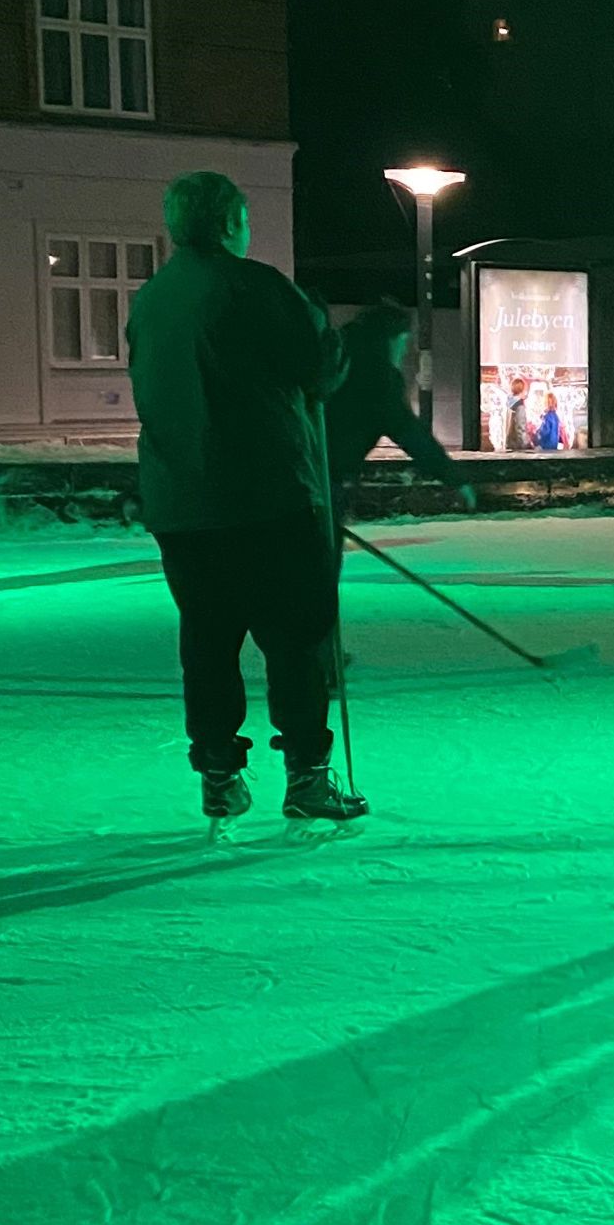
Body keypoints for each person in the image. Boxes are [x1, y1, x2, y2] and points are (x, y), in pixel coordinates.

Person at [126, 170, 364, 827]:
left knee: (207, 642)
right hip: (264, 497)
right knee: (293, 639)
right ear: (230, 221)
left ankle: (219, 776)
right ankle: (308, 776)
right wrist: (326, 335)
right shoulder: (253, 286)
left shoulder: (149, 300)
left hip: (182, 502)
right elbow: (314, 371)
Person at [324, 302, 476, 508]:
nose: (404, 350)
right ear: (390, 339)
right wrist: (454, 478)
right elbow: (409, 432)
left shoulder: (338, 357)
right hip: (324, 477)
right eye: (403, 340)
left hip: (306, 469)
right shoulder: (376, 377)